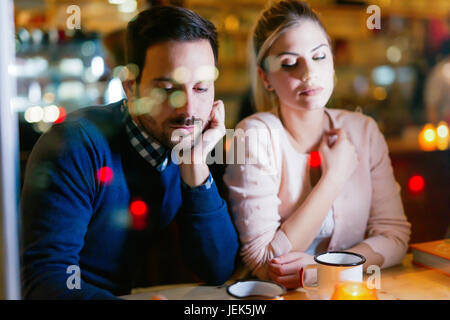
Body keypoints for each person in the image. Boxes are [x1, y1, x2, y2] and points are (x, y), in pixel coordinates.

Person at [21, 6, 239, 299]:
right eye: (166, 89)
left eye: (201, 88)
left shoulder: (190, 145)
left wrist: (196, 164)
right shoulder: (75, 145)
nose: (188, 109)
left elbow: (218, 269)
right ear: (131, 88)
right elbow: (45, 280)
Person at [224, 0, 411, 289]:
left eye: (319, 56)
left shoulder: (364, 130)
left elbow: (395, 237)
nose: (308, 73)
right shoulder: (254, 137)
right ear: (265, 78)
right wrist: (334, 177)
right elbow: (263, 263)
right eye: (289, 63)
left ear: (333, 61)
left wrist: (322, 269)